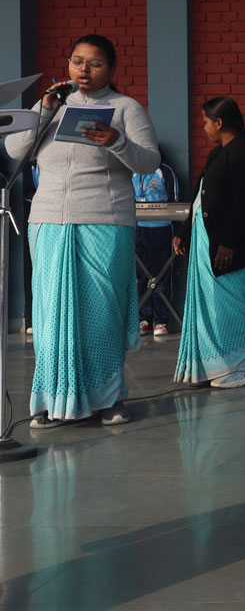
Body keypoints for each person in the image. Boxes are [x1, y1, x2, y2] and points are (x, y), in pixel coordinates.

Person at [6, 34, 160, 427]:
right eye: (77, 61)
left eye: (94, 63)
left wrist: (117, 141)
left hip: (104, 219)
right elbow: (16, 151)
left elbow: (148, 162)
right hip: (49, 220)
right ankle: (52, 400)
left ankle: (108, 399)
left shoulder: (126, 108)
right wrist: (44, 110)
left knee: (101, 313)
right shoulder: (52, 105)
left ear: (112, 68)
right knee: (51, 315)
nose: (84, 69)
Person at [172, 97, 245, 388]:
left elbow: (243, 202)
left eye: (205, 122)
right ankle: (217, 367)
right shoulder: (219, 152)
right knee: (214, 306)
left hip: (229, 246)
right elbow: (200, 196)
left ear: (219, 122)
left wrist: (228, 243)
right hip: (208, 243)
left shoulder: (243, 151)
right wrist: (185, 231)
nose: (203, 128)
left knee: (231, 307)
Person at [133, 152, 180, 337]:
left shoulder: (164, 171)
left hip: (160, 229)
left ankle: (161, 320)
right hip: (139, 229)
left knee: (160, 274)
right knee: (140, 276)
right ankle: (144, 319)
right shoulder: (133, 172)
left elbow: (174, 199)